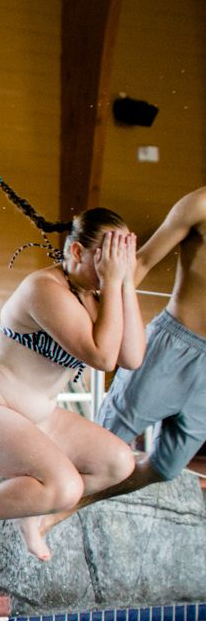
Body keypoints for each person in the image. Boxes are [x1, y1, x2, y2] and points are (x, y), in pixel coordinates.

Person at [0, 174, 144, 575]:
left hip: (37, 418)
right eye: (107, 256)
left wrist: (125, 283)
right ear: (77, 252)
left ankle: (37, 512)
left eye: (121, 256)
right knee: (66, 486)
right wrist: (115, 282)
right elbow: (102, 357)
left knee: (117, 463)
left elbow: (131, 357)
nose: (112, 267)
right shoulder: (43, 288)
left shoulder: (96, 297)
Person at [39, 186, 206, 527]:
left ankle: (68, 507)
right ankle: (45, 509)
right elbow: (141, 261)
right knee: (103, 444)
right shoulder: (200, 204)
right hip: (173, 347)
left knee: (165, 467)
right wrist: (100, 319)